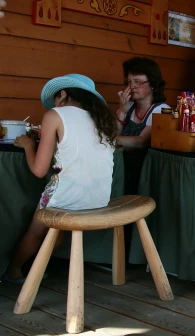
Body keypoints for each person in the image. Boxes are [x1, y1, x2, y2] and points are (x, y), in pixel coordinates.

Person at [3, 74, 116, 281]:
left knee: (37, 229)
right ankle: (37, 265)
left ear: (63, 94)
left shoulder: (55, 115)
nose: (55, 104)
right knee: (57, 226)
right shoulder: (103, 120)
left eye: (56, 99)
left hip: (67, 197)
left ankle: (14, 269)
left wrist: (29, 145)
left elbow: (39, 170)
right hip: (98, 199)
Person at [115, 57, 170, 195]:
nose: (132, 86)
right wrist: (121, 111)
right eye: (129, 82)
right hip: (123, 169)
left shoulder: (161, 110)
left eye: (137, 82)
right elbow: (114, 132)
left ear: (152, 84)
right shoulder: (128, 107)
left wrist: (111, 140)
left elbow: (141, 142)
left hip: (145, 174)